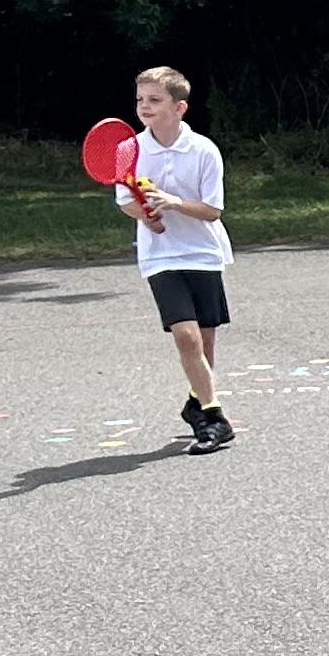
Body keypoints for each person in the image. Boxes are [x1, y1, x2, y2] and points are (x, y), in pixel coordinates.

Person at [116, 64, 238, 452]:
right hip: (161, 257)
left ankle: (196, 405)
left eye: (155, 99)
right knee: (186, 337)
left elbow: (212, 211)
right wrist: (147, 216)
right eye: (140, 99)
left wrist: (172, 202)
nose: (145, 106)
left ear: (179, 107)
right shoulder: (128, 150)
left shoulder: (204, 150)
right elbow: (126, 202)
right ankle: (215, 419)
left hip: (203, 253)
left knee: (204, 344)